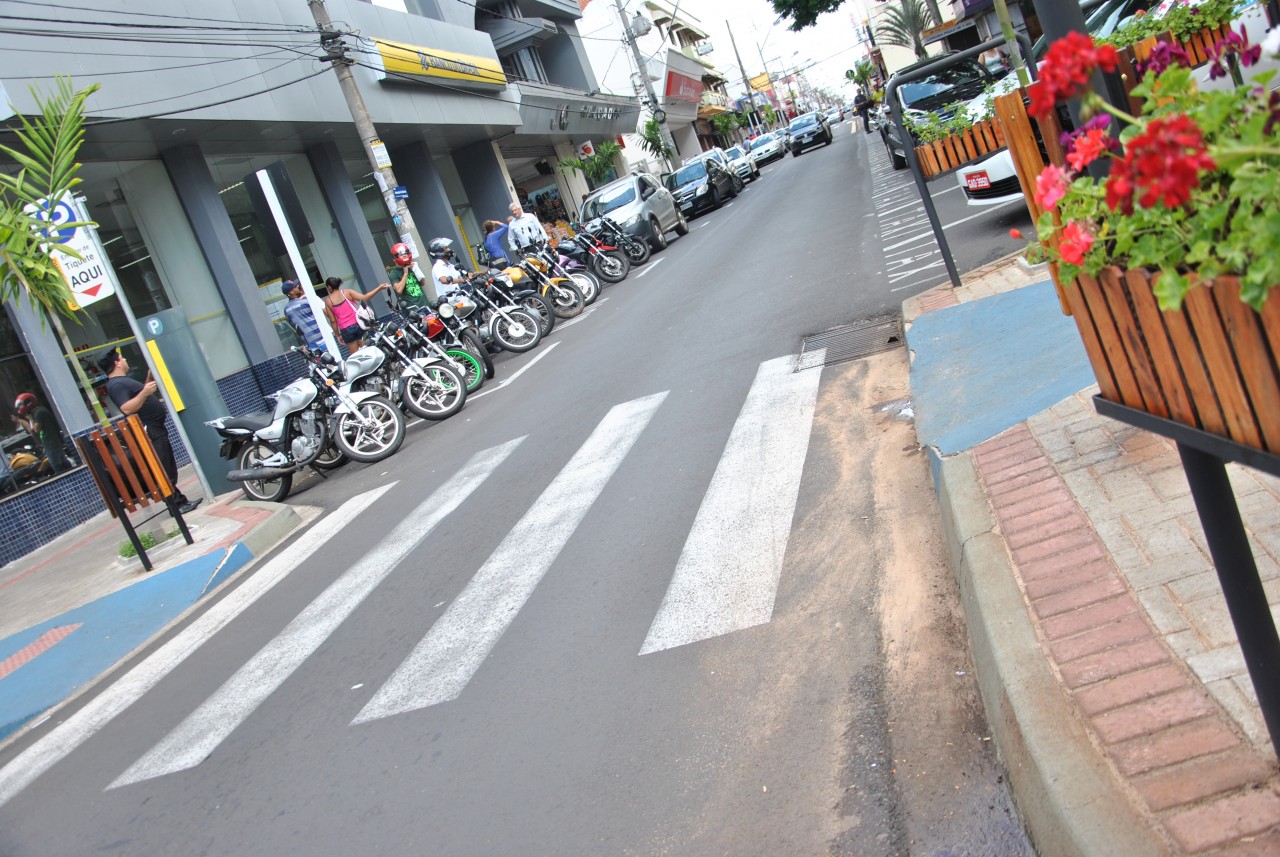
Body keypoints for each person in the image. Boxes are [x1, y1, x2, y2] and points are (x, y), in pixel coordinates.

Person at [98, 349, 201, 514]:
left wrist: (147, 382)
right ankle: (177, 506)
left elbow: (138, 397)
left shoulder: (121, 381)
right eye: (122, 358)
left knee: (165, 466)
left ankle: (180, 502)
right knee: (164, 468)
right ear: (117, 363)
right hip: (150, 431)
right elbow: (127, 408)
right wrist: (145, 392)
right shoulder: (116, 385)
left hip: (155, 428)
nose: (125, 360)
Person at [321, 276, 388, 352]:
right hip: (358, 325)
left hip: (345, 330)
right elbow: (364, 297)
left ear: (329, 287)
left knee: (356, 355)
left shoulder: (328, 301)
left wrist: (337, 335)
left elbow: (333, 321)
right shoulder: (347, 292)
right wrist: (379, 288)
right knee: (368, 350)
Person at [11, 391, 70, 475]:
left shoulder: (39, 413)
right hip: (49, 442)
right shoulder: (37, 412)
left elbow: (36, 429)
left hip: (51, 442)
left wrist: (31, 419)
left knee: (57, 465)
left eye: (21, 405)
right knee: (62, 462)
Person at [280, 280, 326, 351]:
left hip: (309, 344)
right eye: (295, 287)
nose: (298, 287)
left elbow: (297, 328)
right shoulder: (306, 301)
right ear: (291, 292)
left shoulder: (286, 309)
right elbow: (325, 311)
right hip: (322, 339)